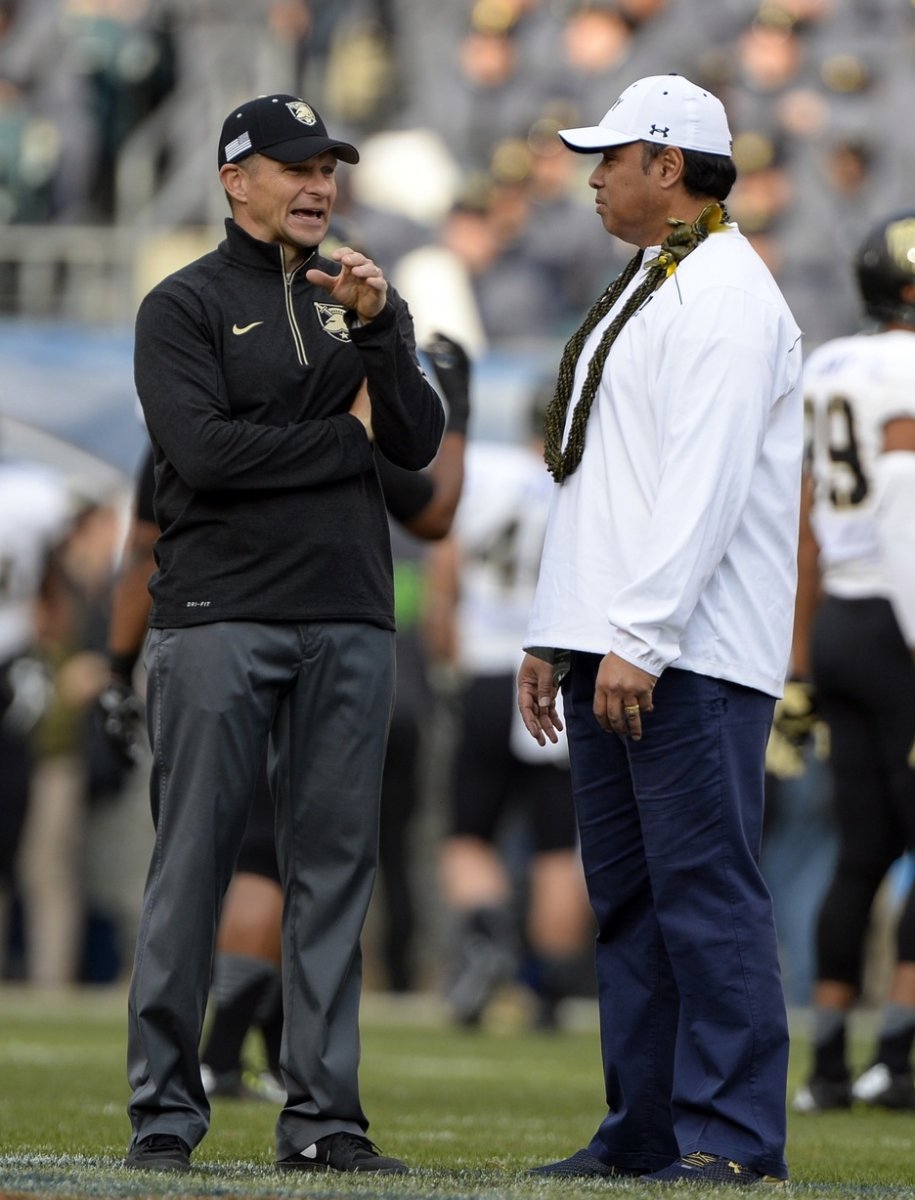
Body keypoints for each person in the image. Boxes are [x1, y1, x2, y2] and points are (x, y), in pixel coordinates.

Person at [123, 94, 444, 1176]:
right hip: (219, 614)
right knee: (192, 870)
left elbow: (417, 447)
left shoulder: (352, 298)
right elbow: (203, 458)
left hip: (349, 613)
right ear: (234, 177)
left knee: (334, 876)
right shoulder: (181, 306)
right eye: (296, 165)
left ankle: (323, 1120)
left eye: (329, 167)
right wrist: (341, 445)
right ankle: (165, 1113)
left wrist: (385, 332)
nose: (319, 184)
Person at [516, 74, 803, 1185]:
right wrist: (559, 632)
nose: (594, 176)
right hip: (622, 639)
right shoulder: (655, 279)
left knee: (705, 892)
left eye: (612, 156)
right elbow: (602, 480)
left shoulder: (727, 292)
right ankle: (643, 1128)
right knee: (630, 900)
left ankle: (732, 1138)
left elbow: (704, 485)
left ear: (668, 166)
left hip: (688, 650)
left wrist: (638, 633)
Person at [101, 332, 470, 1101]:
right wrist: (453, 416)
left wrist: (116, 663)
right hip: (279, 647)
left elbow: (142, 553)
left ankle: (255, 1058)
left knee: (243, 857)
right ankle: (226, 1053)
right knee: (266, 860)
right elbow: (435, 513)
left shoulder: (224, 423)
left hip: (236, 647)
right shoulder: (331, 432)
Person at [791, 209, 915, 1114]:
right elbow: (906, 507)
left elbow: (806, 519)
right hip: (902, 617)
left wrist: (797, 656)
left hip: (839, 616)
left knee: (859, 850)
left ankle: (827, 1065)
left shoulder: (828, 364)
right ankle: (896, 1059)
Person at [428, 389, 592, 1029]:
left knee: (468, 834)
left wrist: (448, 661)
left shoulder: (485, 474)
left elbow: (444, 582)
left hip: (484, 670)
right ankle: (549, 992)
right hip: (551, 675)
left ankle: (488, 928)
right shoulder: (578, 488)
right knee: (557, 845)